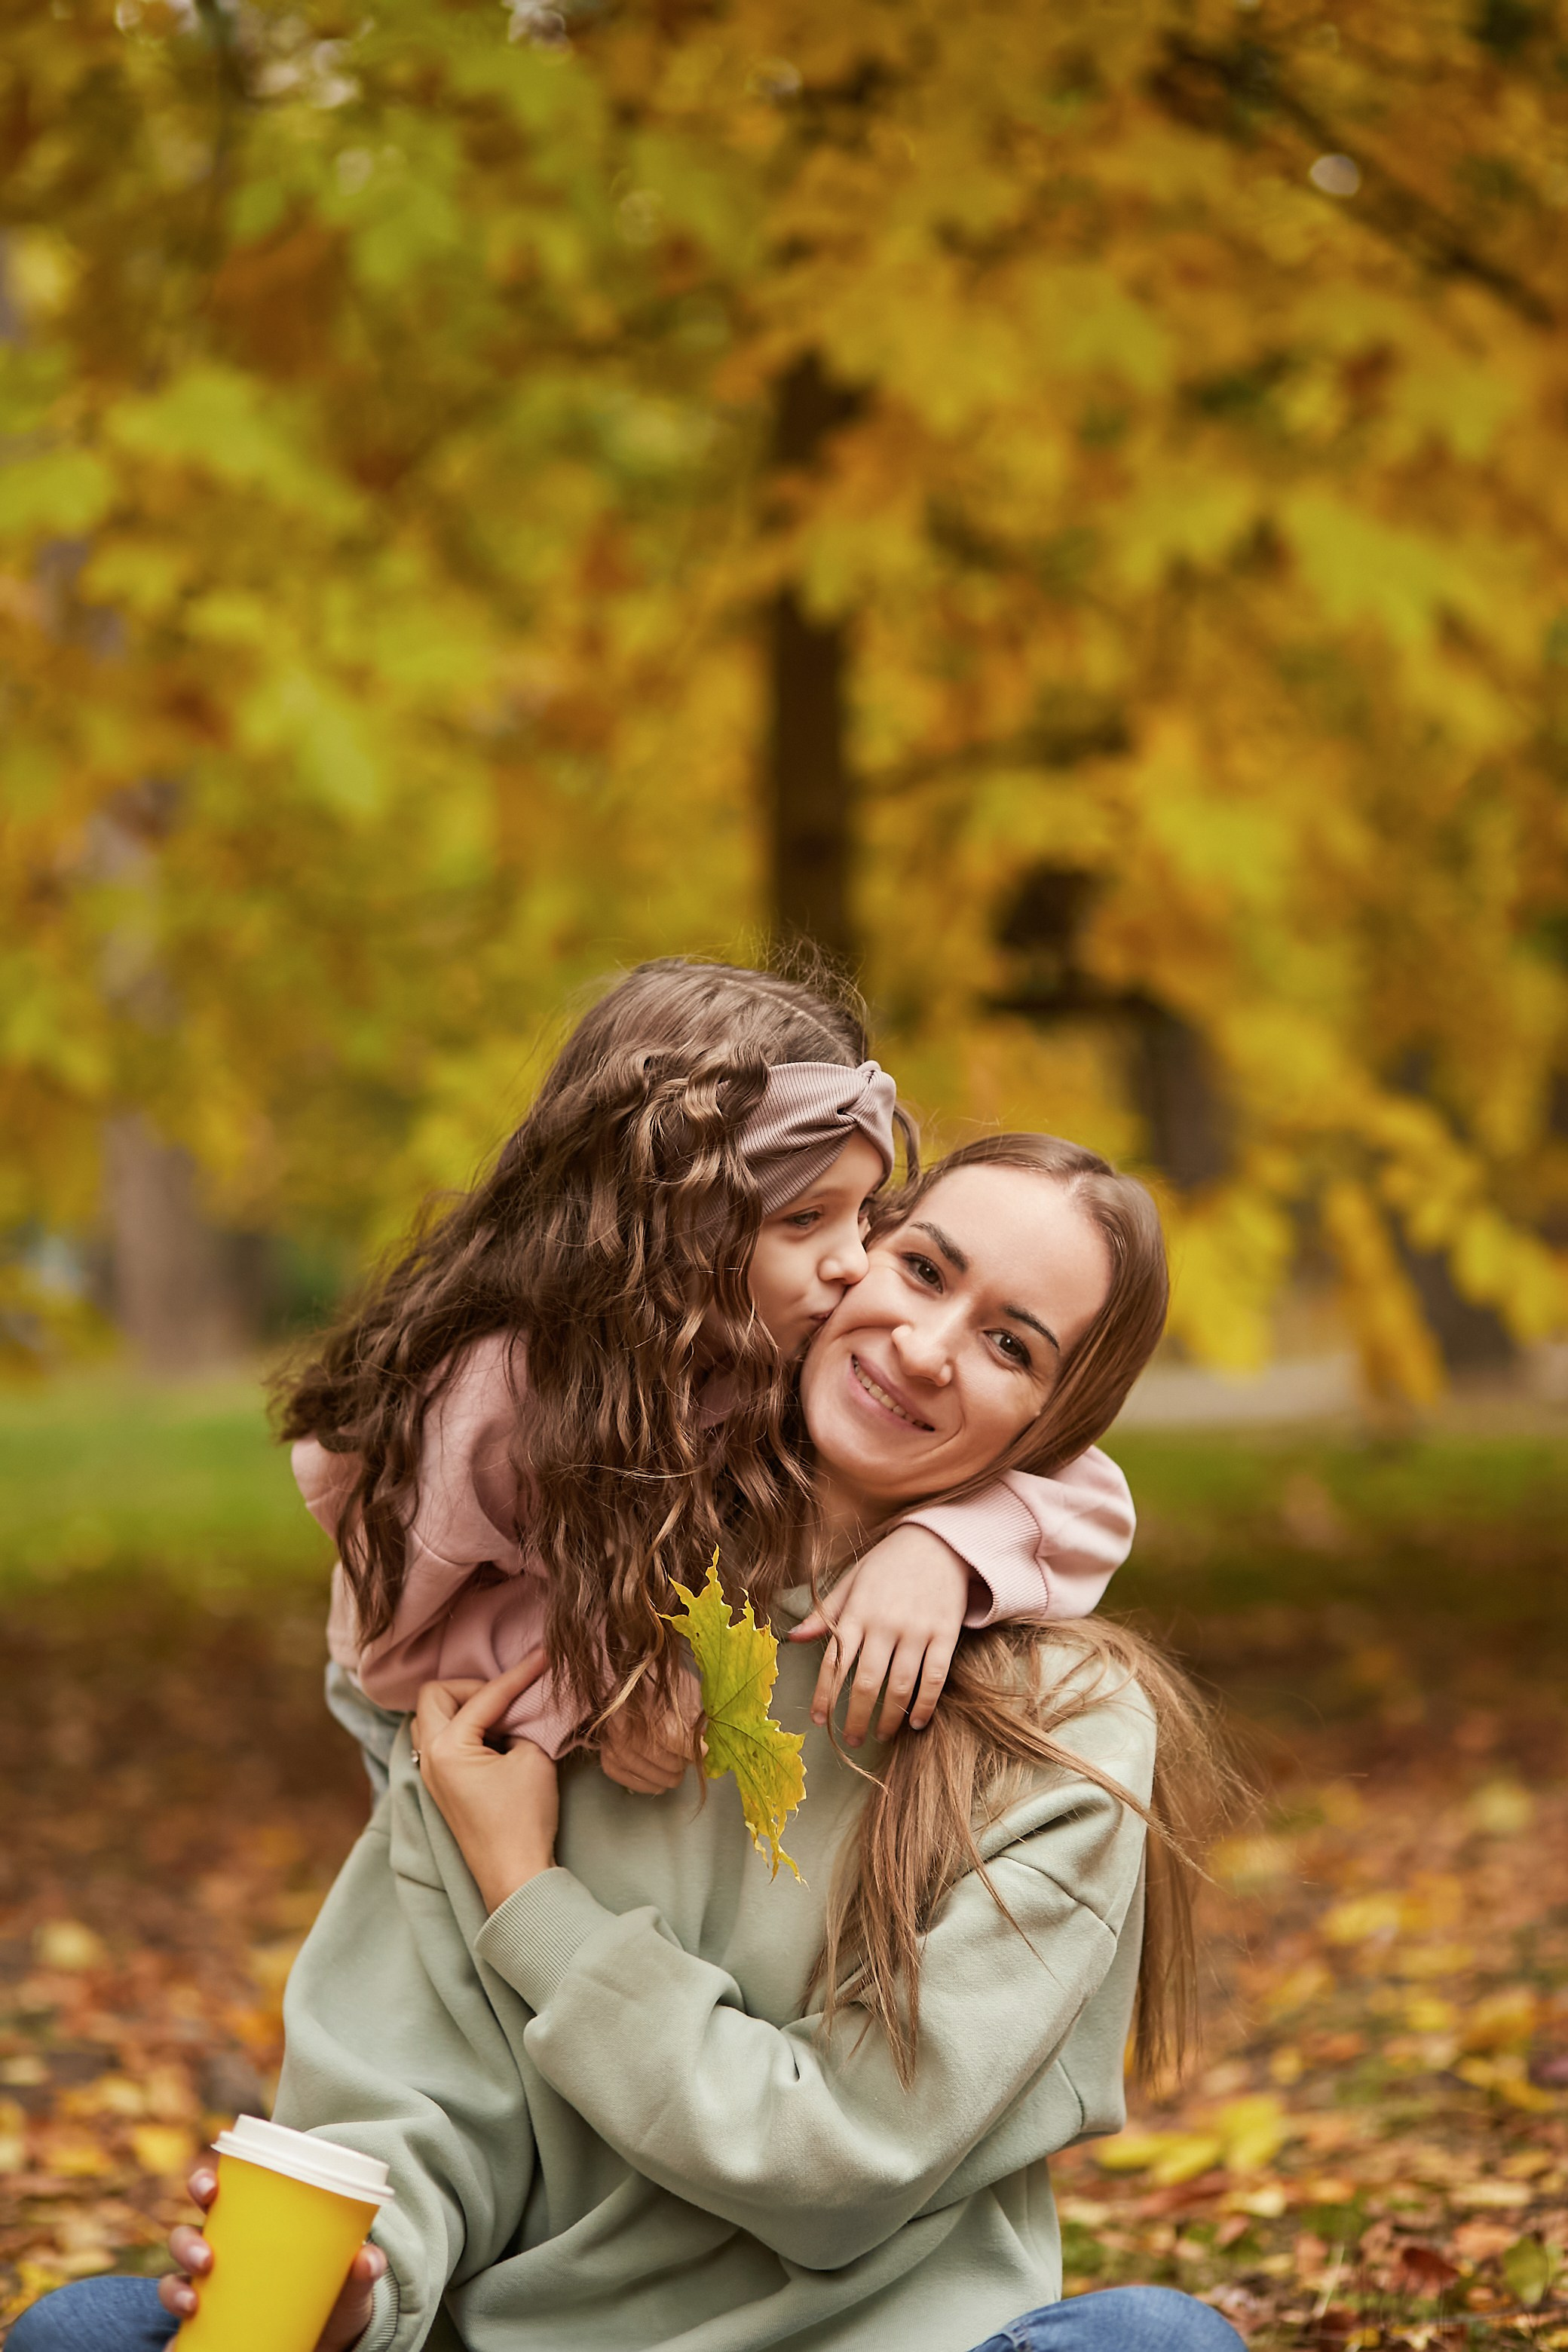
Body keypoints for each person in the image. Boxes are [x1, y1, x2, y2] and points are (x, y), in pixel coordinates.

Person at [10, 1136, 1242, 2352]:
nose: (926, 1348)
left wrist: (532, 1902)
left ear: (1057, 1424)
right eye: (923, 1270)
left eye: (1010, 1343)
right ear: (850, 1259)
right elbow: (408, 2091)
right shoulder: (556, 1623)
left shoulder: (1060, 1725)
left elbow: (848, 2161)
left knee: (1153, 2341)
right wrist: (358, 2297)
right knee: (83, 2331)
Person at [277, 959, 1138, 1796]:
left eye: (865, 1210)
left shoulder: (781, 1326)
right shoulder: (494, 1406)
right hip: (443, 1719)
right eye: (807, 1217)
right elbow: (389, 1654)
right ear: (671, 1226)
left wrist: (944, 1552)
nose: (853, 1261)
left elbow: (1090, 1493)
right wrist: (593, 1683)